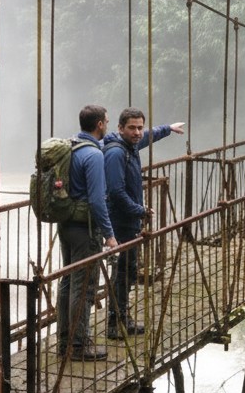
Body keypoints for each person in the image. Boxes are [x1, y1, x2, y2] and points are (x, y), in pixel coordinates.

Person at [103, 107, 185, 339]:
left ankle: (123, 318)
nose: (138, 132)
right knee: (122, 271)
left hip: (128, 220)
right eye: (132, 128)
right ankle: (114, 323)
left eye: (140, 127)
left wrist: (168, 129)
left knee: (128, 269)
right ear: (120, 128)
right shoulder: (116, 153)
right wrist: (139, 210)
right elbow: (116, 192)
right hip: (120, 221)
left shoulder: (130, 145)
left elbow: (149, 135)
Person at [57, 104, 117, 361]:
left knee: (68, 281)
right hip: (85, 229)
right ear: (100, 124)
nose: (108, 125)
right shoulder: (93, 155)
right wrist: (109, 235)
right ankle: (79, 346)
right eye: (107, 122)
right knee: (83, 287)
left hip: (65, 224)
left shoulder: (70, 146)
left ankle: (64, 342)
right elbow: (96, 201)